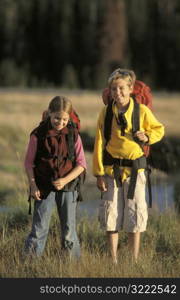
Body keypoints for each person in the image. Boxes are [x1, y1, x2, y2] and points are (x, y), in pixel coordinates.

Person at [93, 68, 164, 264]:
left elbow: (159, 129)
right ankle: (113, 260)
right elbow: (99, 142)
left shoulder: (142, 111)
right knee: (110, 215)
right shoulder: (106, 112)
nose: (118, 93)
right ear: (110, 91)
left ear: (131, 88)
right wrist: (98, 173)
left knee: (135, 215)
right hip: (110, 171)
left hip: (136, 171)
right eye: (114, 89)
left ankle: (133, 260)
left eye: (122, 88)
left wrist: (148, 136)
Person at [24, 95, 86, 259]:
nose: (60, 123)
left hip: (69, 187)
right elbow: (28, 164)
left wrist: (65, 180)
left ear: (70, 117)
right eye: (57, 118)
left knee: (68, 229)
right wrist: (33, 186)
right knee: (39, 229)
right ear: (49, 113)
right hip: (42, 187)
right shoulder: (37, 135)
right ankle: (29, 266)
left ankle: (72, 268)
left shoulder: (74, 135)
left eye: (64, 119)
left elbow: (81, 164)